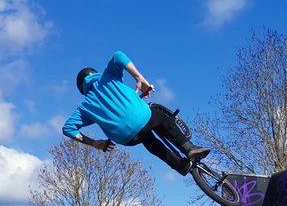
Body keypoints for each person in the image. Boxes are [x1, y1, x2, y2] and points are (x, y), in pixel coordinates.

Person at [63, 50, 209, 175]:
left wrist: (95, 143)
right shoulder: (106, 78)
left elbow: (68, 128)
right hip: (142, 117)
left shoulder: (85, 107)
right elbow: (118, 55)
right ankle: (189, 148)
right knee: (161, 119)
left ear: (82, 89)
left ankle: (180, 166)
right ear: (94, 74)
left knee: (148, 140)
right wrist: (139, 78)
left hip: (127, 138)